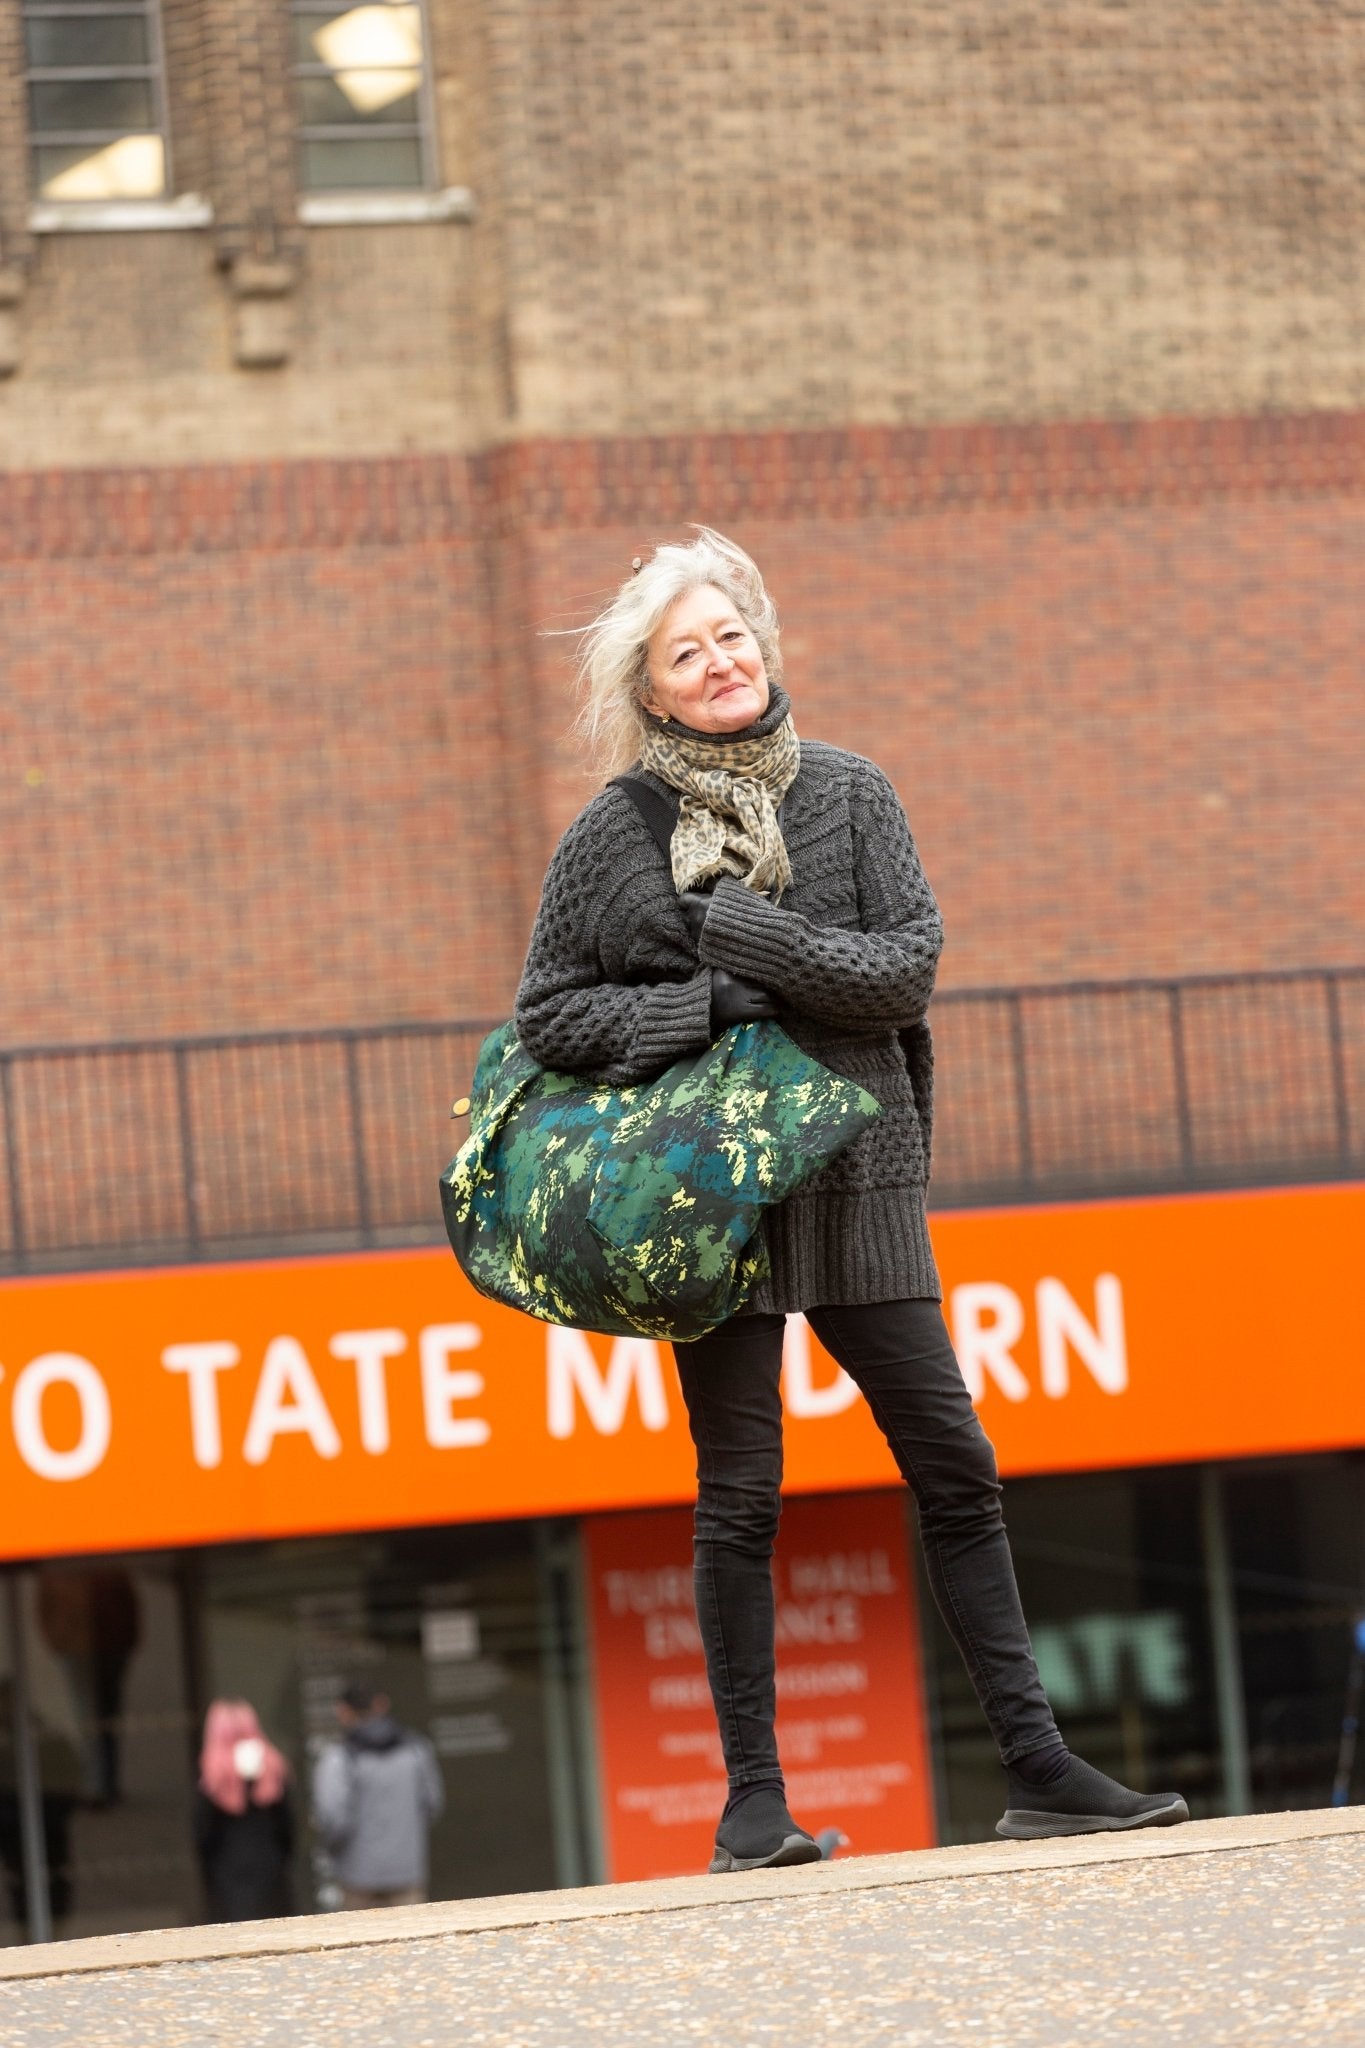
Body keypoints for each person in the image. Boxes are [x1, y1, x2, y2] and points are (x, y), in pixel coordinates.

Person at [515, 528, 1191, 1870]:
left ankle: (1038, 1764)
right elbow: (546, 1015)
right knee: (740, 1498)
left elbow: (907, 971)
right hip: (713, 1206)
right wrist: (694, 1002)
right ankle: (751, 1803)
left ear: (761, 643)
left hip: (863, 1180)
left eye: (730, 636)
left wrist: (760, 944)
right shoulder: (612, 837)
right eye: (685, 653)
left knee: (955, 1468)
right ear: (649, 692)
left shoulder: (852, 795)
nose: (720, 663)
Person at [312, 1681, 444, 1909]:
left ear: (343, 1711)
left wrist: (337, 1851)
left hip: (357, 1876)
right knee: (413, 1942)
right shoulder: (416, 1750)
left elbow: (333, 1818)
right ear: (382, 1705)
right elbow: (432, 1804)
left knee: (361, 1942)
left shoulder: (338, 1758)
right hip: (407, 1872)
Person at [193, 1699, 294, 1922]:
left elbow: (203, 1836)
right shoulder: (273, 1766)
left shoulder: (211, 1776)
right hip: (270, 1871)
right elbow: (287, 1827)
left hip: (229, 1876)